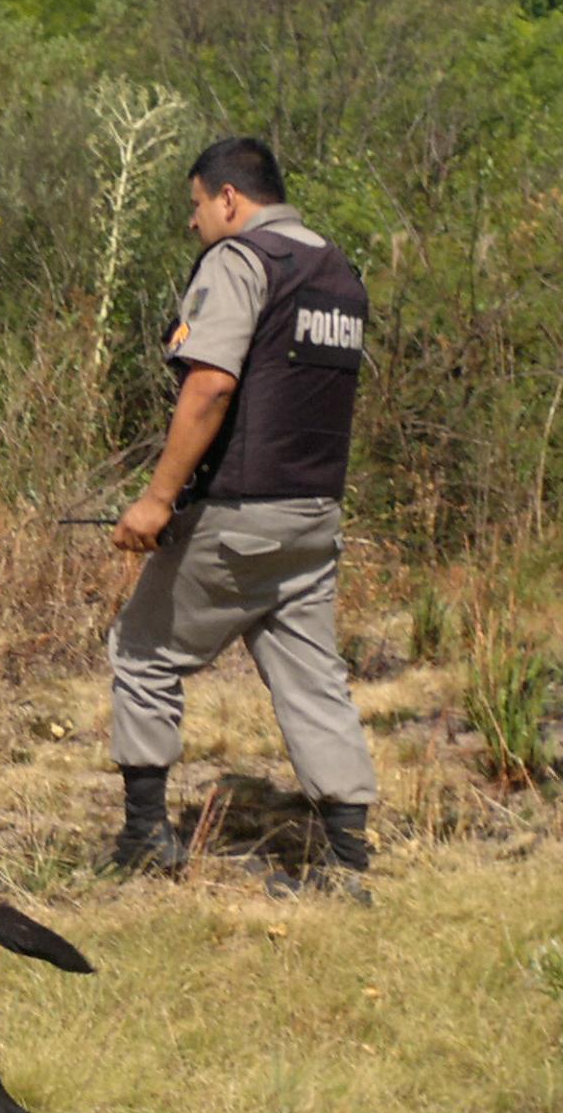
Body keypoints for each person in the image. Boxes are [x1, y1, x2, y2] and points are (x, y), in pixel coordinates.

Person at [103, 136, 381, 891]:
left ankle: (144, 838)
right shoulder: (337, 270)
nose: (193, 223)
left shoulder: (240, 261)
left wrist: (157, 499)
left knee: (140, 649)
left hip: (241, 515)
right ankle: (348, 862)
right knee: (311, 678)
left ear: (228, 198)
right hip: (315, 514)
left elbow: (212, 386)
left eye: (195, 205)